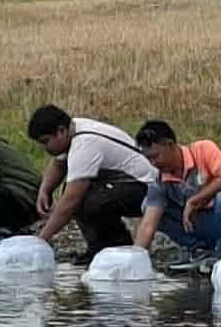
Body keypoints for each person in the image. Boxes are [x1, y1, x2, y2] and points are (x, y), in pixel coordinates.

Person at [28, 104, 161, 257]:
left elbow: (70, 202)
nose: (45, 148)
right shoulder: (72, 127)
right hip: (127, 183)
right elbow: (58, 163)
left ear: (61, 131)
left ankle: (114, 249)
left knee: (89, 200)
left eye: (46, 142)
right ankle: (101, 249)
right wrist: (45, 190)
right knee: (81, 193)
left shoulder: (85, 144)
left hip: (148, 189)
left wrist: (40, 240)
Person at [131, 120, 221, 271]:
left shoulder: (203, 149)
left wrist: (194, 201)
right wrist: (134, 261)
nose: (153, 163)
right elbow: (148, 226)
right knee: (147, 206)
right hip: (203, 225)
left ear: (170, 145)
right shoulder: (159, 180)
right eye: (148, 159)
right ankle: (199, 251)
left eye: (156, 156)